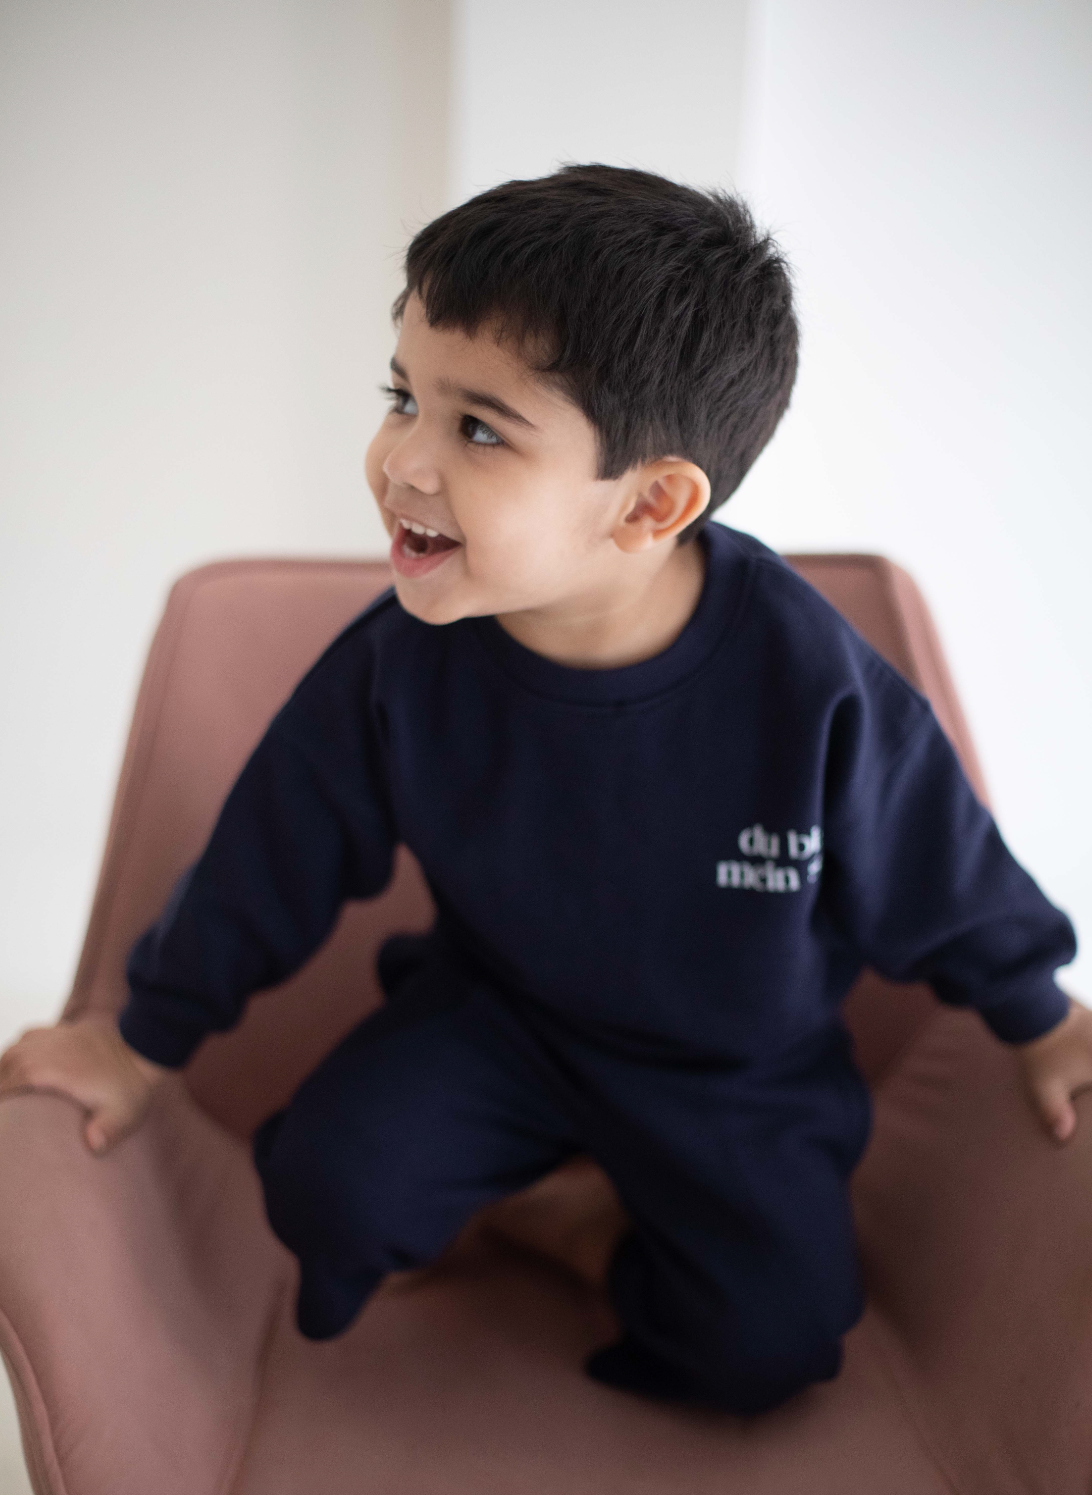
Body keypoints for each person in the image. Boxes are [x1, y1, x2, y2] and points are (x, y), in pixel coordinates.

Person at [1, 165, 1089, 1416]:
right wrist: (139, 1040)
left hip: (735, 1069)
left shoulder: (811, 682)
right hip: (500, 1018)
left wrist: (1041, 1014)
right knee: (325, 1190)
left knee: (769, 1345)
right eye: (402, 396)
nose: (401, 461)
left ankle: (585, 1225)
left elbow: (940, 863)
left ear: (651, 502)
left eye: (478, 429)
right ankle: (526, 1195)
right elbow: (270, 853)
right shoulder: (402, 662)